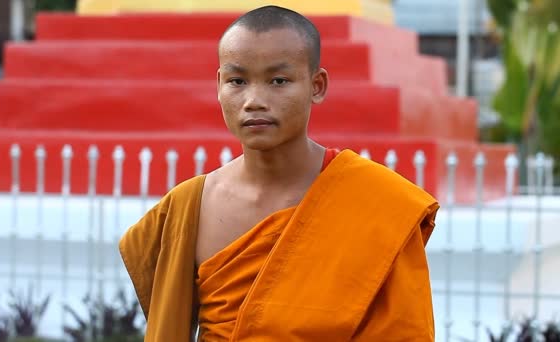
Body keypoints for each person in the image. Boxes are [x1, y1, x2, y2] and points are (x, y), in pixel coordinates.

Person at [119, 5, 439, 341]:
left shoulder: (379, 204)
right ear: (218, 85)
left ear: (317, 86)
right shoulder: (187, 208)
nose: (254, 100)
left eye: (278, 81)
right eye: (237, 81)